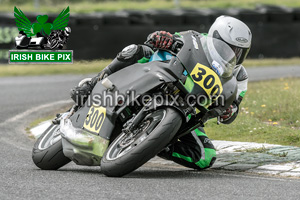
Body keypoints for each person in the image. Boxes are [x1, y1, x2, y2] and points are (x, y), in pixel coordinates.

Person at [70, 15, 251, 170]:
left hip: (187, 111)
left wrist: (230, 111)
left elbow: (233, 106)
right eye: (228, 47)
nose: (233, 54)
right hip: (161, 80)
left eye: (239, 51)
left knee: (205, 156)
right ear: (215, 37)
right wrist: (162, 38)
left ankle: (154, 144)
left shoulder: (239, 76)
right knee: (136, 50)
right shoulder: (197, 39)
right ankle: (93, 83)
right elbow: (166, 39)